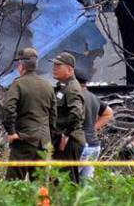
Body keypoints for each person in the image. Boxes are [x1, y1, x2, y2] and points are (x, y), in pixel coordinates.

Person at [2, 48, 57, 181]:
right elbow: (53, 115)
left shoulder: (18, 84)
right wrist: (49, 136)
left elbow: (8, 109)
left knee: (13, 184)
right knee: (40, 186)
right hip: (44, 143)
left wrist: (11, 132)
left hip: (24, 140)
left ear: (21, 65)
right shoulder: (48, 86)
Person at [51, 52, 85, 183]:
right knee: (59, 180)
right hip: (63, 139)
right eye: (54, 65)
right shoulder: (63, 87)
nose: (54, 68)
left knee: (66, 182)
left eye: (58, 66)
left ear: (70, 69)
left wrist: (65, 135)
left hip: (69, 141)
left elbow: (76, 114)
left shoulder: (72, 88)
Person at [77, 74, 113, 180]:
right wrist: (93, 128)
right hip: (94, 146)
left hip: (81, 146)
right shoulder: (93, 97)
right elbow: (109, 113)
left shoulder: (74, 96)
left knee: (68, 181)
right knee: (87, 184)